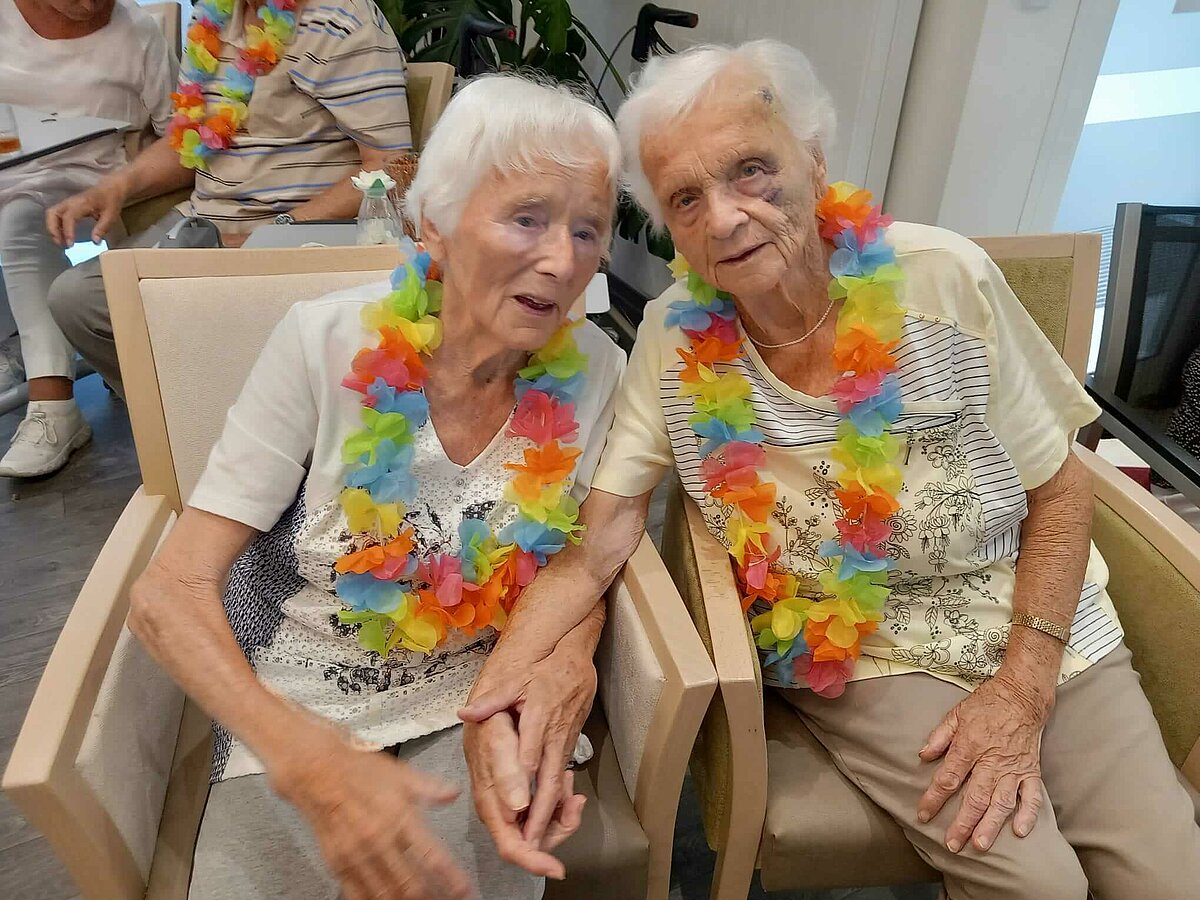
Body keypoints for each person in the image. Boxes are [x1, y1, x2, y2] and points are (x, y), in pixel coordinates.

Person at [460, 41, 1200, 898]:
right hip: (864, 652)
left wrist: (1025, 685)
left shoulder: (946, 279)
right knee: (1040, 887)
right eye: (687, 198)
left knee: (1172, 881)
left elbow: (1061, 483)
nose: (727, 218)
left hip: (1035, 618)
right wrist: (499, 686)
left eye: (752, 171)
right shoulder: (670, 338)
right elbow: (602, 540)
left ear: (813, 160)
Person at [126, 74, 625, 900]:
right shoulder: (324, 345)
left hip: (477, 681)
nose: (562, 259)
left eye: (588, 229)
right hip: (296, 688)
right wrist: (301, 754)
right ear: (436, 223)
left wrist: (554, 660)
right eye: (527, 218)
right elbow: (168, 591)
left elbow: (594, 553)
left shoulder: (599, 370)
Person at [7, 0, 413, 478]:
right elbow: (188, 146)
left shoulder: (341, 21)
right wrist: (115, 187)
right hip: (205, 228)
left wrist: (277, 232)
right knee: (81, 300)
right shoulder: (216, 18)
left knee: (153, 313)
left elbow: (391, 167)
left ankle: (256, 452)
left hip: (300, 238)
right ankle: (206, 436)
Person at [0, 0, 174, 477]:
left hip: (97, 173)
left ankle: (52, 403)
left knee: (23, 221)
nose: (93, 4)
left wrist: (121, 185)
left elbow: (182, 133)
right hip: (10, 165)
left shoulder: (136, 31)